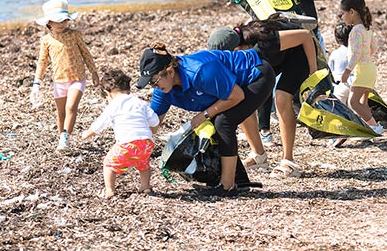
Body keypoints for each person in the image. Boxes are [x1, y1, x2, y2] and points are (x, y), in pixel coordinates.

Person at [137, 43, 275, 197]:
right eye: (150, 83)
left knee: (223, 122)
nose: (154, 87)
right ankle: (239, 180)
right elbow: (153, 126)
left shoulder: (199, 71)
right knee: (212, 123)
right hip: (230, 89)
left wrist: (203, 115)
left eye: (154, 81)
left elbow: (237, 96)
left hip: (256, 75)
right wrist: (132, 145)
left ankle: (227, 186)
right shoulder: (162, 91)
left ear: (169, 71)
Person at [207, 14, 317, 179]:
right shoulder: (244, 51)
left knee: (281, 98)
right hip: (273, 59)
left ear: (237, 49)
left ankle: (289, 161)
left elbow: (305, 36)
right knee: (242, 98)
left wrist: (313, 70)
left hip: (299, 54)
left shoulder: (266, 41)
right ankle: (259, 155)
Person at [31, 0, 100, 151]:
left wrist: (94, 72)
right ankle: (61, 138)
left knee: (71, 108)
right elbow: (42, 62)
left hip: (77, 78)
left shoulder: (75, 35)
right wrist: (37, 82)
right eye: (57, 21)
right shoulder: (46, 40)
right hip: (59, 80)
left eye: (64, 20)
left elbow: (85, 54)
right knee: (61, 113)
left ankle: (65, 137)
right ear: (49, 22)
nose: (62, 24)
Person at [81, 69, 160, 199]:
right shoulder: (140, 103)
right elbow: (155, 119)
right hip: (146, 143)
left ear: (108, 93)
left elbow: (100, 124)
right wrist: (153, 130)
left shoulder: (113, 106)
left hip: (127, 143)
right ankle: (145, 187)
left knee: (108, 163)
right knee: (143, 163)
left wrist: (86, 134)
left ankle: (109, 190)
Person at [338, 0, 383, 134]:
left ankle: (375, 127)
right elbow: (374, 46)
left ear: (352, 12)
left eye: (343, 13)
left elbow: (355, 54)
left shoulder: (356, 31)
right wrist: (367, 58)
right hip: (370, 68)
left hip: (363, 70)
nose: (342, 17)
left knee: (354, 102)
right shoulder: (367, 28)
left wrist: (347, 71)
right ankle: (369, 127)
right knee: (363, 102)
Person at [328, 22, 354, 105]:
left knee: (340, 111)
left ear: (337, 39)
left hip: (340, 85)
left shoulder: (335, 53)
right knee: (355, 110)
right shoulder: (356, 52)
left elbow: (330, 72)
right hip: (355, 84)